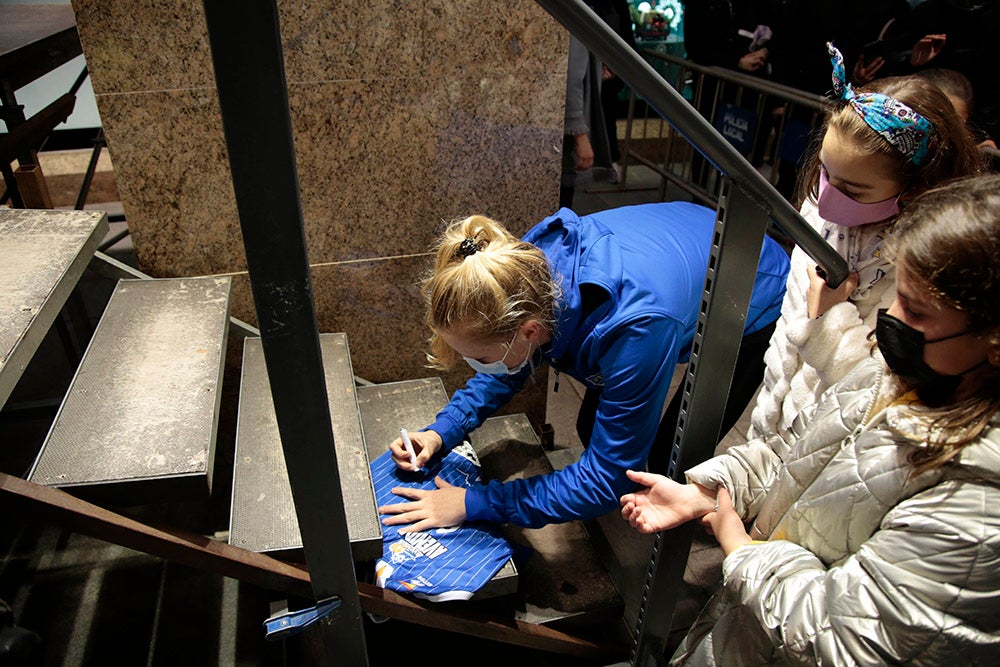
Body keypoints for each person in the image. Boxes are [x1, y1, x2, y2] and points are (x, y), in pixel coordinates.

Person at [620, 174, 1000, 665]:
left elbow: (846, 640)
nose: (891, 319)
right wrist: (708, 490)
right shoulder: (893, 375)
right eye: (898, 296)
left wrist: (741, 551)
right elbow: (795, 451)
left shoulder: (978, 504)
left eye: (918, 312)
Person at [377, 201, 790, 531]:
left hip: (751, 288)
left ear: (530, 330)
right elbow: (510, 362)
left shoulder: (634, 328)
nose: (474, 366)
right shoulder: (513, 275)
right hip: (679, 246)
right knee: (595, 432)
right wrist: (440, 431)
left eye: (479, 358)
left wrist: (474, 503)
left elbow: (605, 481)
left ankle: (677, 557)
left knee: (673, 461)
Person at [745, 43, 985, 450]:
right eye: (824, 172)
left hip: (834, 446)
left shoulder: (926, 266)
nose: (827, 195)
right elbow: (787, 333)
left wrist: (830, 320)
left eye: (852, 189)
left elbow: (881, 394)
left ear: (916, 188)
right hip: (776, 427)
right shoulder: (817, 209)